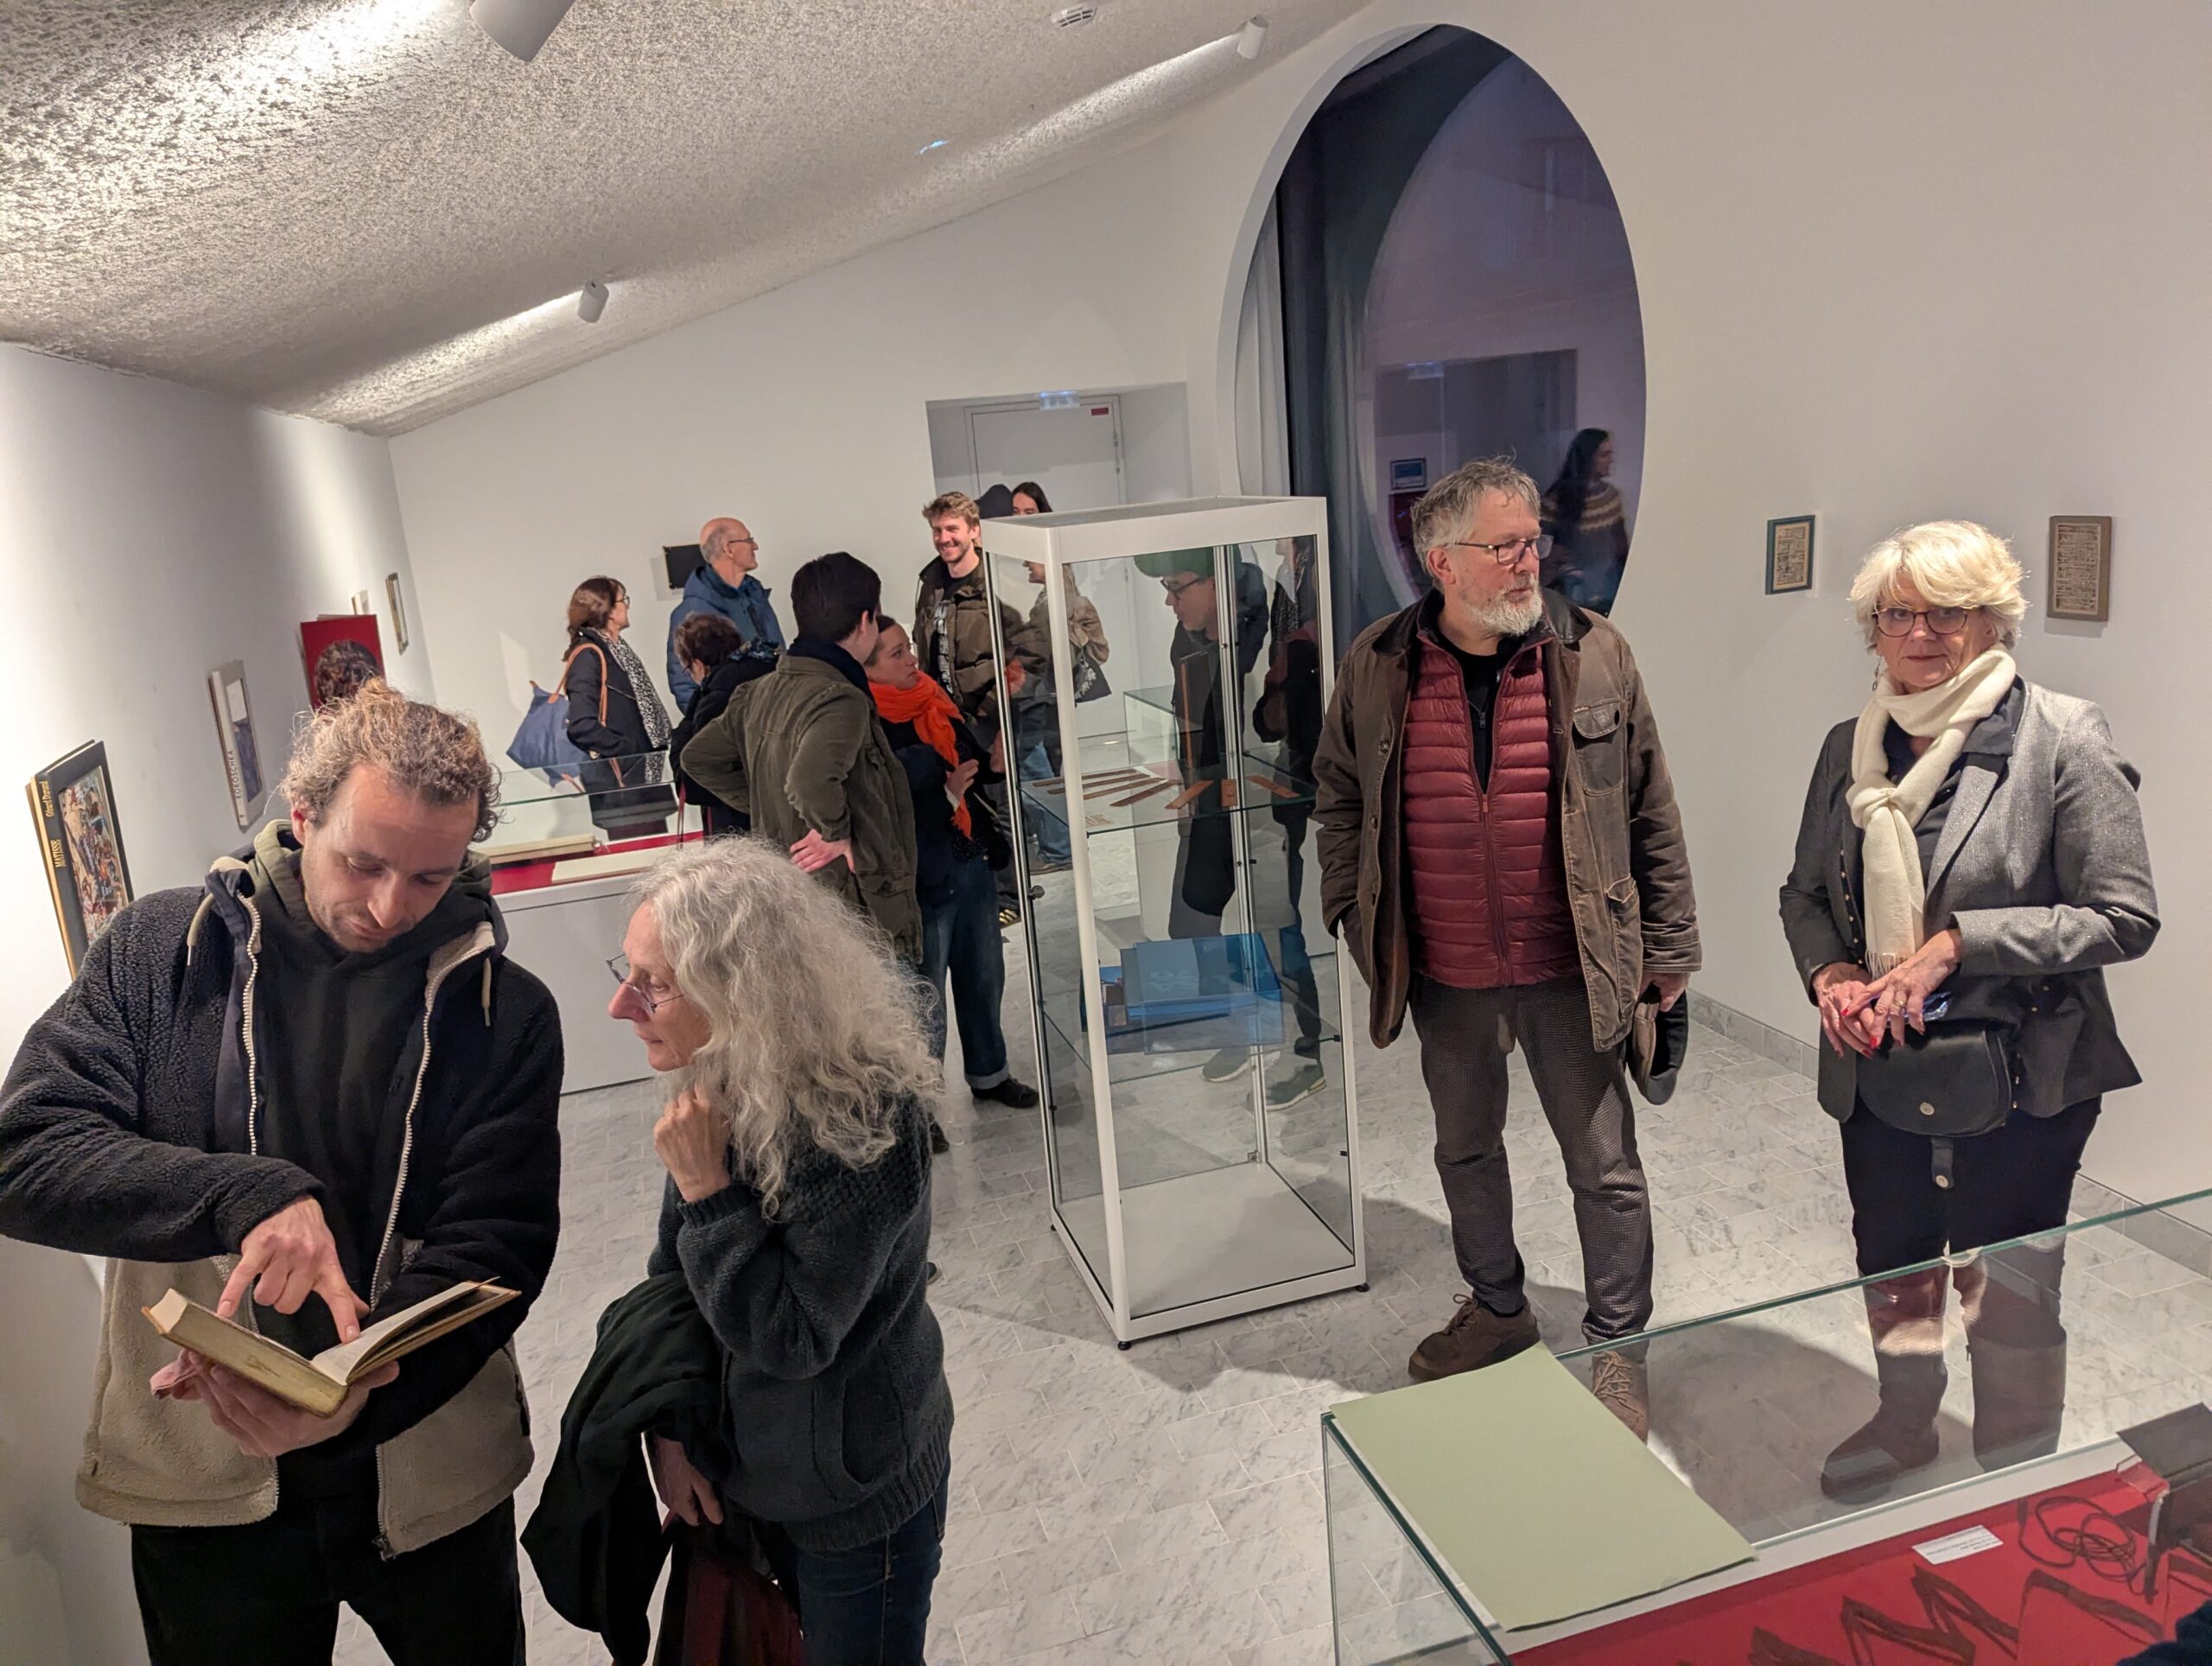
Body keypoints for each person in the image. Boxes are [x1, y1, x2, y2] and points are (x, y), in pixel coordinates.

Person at [0, 682, 563, 1664]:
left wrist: (362, 1392)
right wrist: (249, 1192)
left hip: (427, 1462)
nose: (390, 907)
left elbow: (500, 1240)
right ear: (302, 817)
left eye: (431, 878)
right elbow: (25, 1151)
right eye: (364, 863)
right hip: (203, 1472)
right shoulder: (160, 952)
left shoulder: (503, 1007)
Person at [1313, 456, 1698, 1437]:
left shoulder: (1593, 650)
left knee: (1605, 1166)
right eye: (1506, 545)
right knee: (1465, 1151)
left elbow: (1649, 802)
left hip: (1573, 966)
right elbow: (1339, 796)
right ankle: (1497, 1310)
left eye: (1533, 541)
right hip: (1445, 974)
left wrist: (1670, 944)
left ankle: (1618, 1347)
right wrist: (1353, 913)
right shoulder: (1377, 662)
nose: (1531, 560)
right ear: (1441, 560)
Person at [1779, 520, 2158, 1502]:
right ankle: (1905, 1420)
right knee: (1892, 1258)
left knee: (2008, 1284)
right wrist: (1831, 975)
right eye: (1896, 613)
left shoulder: (2061, 736)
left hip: (2023, 1073)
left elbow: (2123, 917)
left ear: (1995, 621)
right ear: (1872, 628)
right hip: (1880, 1061)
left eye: (1948, 612)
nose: (1920, 633)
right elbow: (1804, 894)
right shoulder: (1848, 746)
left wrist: (1956, 945)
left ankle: (2013, 1466)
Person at [608, 840, 951, 1665]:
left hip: (852, 1497)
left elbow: (794, 1338)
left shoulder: (863, 1118)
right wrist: (673, 1435)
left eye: (653, 983)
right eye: (628, 973)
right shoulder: (720, 1079)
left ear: (740, 991)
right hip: (751, 1472)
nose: (622, 1006)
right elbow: (674, 1285)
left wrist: (708, 1194)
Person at [1134, 546, 1326, 1109]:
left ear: (1216, 583)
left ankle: (1304, 1053)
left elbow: (1282, 728)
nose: (1170, 602)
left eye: (1178, 587)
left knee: (1276, 929)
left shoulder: (1268, 637)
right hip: (1212, 801)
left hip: (1267, 807)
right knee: (1201, 921)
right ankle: (1245, 1031)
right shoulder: (1190, 639)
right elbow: (1187, 715)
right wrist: (1188, 784)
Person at [679, 551, 919, 961]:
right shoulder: (840, 697)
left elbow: (698, 757)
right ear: (866, 621)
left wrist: (768, 805)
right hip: (851, 905)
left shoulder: (759, 690)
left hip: (795, 891)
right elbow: (809, 783)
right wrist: (834, 833)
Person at [865, 616, 1039, 1110]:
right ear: (869, 667)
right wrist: (946, 795)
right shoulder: (869, 723)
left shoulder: (930, 697)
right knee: (925, 998)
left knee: (984, 976)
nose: (911, 659)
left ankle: (990, 1074)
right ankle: (923, 1108)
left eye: (907, 647)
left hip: (972, 859)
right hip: (925, 875)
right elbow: (883, 810)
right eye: (897, 653)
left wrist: (993, 765)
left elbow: (968, 765)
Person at [914, 492, 1046, 923]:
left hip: (990, 717)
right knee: (965, 804)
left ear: (973, 531)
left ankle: (1012, 896)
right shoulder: (930, 582)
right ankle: (985, 894)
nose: (944, 538)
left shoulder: (997, 583)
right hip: (946, 717)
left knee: (1000, 806)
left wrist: (1005, 722)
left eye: (952, 528)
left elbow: (1029, 653)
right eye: (938, 530)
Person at [564, 575, 674, 837]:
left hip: (642, 783)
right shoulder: (589, 655)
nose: (627, 606)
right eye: (623, 600)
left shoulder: (617, 650)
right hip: (622, 786)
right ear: (608, 610)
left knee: (659, 851)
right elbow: (581, 727)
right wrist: (630, 750)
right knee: (640, 855)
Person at [667, 612, 776, 835]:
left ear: (698, 665)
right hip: (781, 809)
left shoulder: (715, 700)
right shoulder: (770, 673)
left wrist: (685, 727)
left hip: (739, 823)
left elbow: (694, 784)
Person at [667, 517, 785, 709]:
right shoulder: (692, 612)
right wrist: (721, 723)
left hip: (774, 713)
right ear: (729, 549)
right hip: (736, 723)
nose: (755, 546)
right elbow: (686, 687)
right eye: (748, 540)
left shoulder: (755, 595)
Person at [1540, 428, 1630, 613]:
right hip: (1570, 591)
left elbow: (1621, 548)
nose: (1611, 460)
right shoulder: (1556, 500)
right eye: (1604, 455)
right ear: (1588, 458)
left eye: (1610, 454)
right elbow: (1542, 548)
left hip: (1608, 589)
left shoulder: (1610, 497)